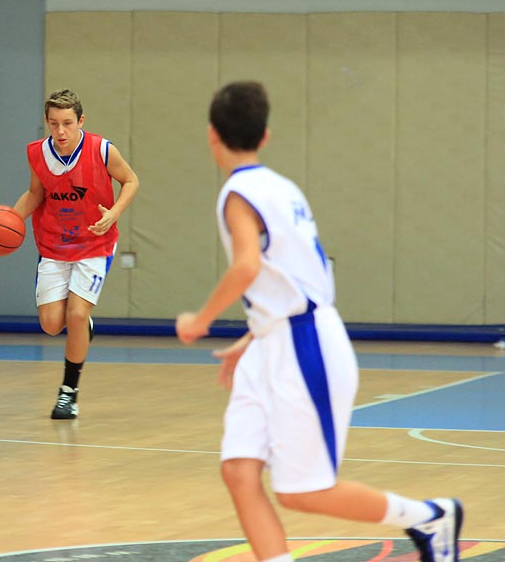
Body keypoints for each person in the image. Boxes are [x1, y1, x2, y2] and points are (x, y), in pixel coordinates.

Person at [175, 81, 462, 562]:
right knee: (239, 471)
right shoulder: (283, 188)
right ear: (265, 136)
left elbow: (247, 267)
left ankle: (428, 516)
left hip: (304, 345)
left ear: (211, 135)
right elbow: (295, 276)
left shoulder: (239, 193)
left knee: (301, 492)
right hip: (274, 339)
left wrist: (199, 319)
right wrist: (254, 336)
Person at [13, 89, 139, 419]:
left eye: (68, 123)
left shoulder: (101, 149)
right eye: (53, 123)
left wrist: (113, 212)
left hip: (94, 243)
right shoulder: (38, 154)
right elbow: (34, 194)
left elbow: (131, 180)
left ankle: (69, 393)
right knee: (52, 325)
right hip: (54, 245)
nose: (61, 131)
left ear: (80, 121)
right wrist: (8, 224)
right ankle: (83, 326)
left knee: (76, 315)